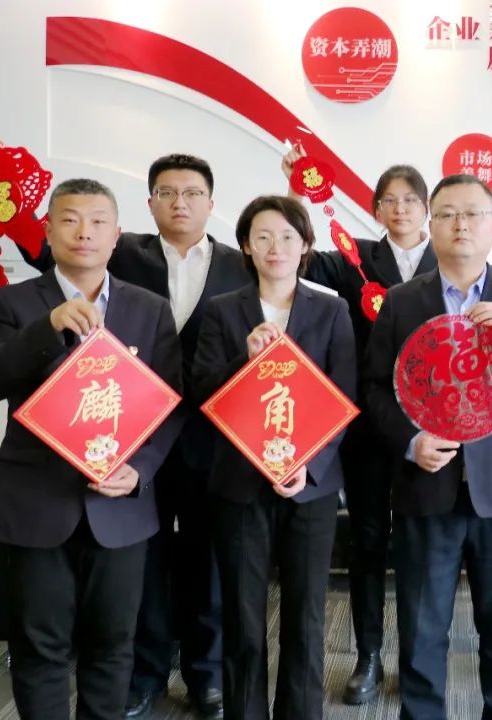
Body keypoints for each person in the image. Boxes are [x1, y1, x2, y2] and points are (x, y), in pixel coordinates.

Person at [24, 153, 245, 719]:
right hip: (128, 438)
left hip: (210, 438)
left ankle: (205, 673)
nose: (179, 203)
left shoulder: (241, 264)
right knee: (139, 559)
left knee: (207, 559)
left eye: (192, 193)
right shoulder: (120, 252)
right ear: (149, 204)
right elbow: (51, 254)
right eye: (167, 193)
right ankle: (144, 673)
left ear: (211, 203)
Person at [0, 178, 184, 720]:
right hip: (35, 503)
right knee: (39, 648)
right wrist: (47, 327)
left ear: (117, 235)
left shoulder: (149, 308)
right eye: (69, 220)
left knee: (112, 646)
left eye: (97, 221)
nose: (83, 232)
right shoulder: (12, 302)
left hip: (119, 507)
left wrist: (140, 469)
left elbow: (170, 404)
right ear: (48, 231)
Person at [364, 174, 492, 720]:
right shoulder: (402, 302)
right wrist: (410, 442)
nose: (461, 224)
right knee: (422, 629)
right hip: (425, 485)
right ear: (431, 225)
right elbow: (374, 389)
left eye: (473, 213)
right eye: (449, 214)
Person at [281, 147, 438, 704]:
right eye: (389, 201)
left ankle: (418, 656)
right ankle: (367, 655)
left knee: (423, 544)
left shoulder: (448, 258)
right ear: (375, 209)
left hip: (430, 427)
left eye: (411, 200)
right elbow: (298, 257)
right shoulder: (354, 258)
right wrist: (298, 190)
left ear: (427, 208)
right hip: (370, 423)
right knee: (368, 540)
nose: (400, 209)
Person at [192, 195, 356, 720]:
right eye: (262, 236)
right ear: (246, 245)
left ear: (305, 245)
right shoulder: (223, 310)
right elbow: (202, 392)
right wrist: (244, 359)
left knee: (307, 617)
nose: (275, 247)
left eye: (288, 236)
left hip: (310, 485)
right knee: (242, 616)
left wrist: (311, 465)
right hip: (239, 485)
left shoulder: (331, 309)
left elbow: (344, 397)